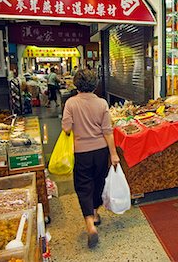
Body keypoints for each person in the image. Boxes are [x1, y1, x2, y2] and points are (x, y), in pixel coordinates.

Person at [61, 69, 120, 249]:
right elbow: (107, 131)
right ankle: (95, 213)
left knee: (83, 186)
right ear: (95, 84)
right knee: (98, 183)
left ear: (76, 84)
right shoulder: (102, 103)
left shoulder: (71, 103)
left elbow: (67, 129)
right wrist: (113, 154)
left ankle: (90, 224)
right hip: (101, 151)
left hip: (82, 153)